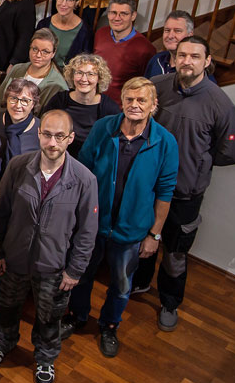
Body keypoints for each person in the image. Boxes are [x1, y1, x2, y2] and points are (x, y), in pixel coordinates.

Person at [60, 77, 178, 357]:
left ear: (153, 105)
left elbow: (165, 192)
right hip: (93, 225)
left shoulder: (166, 142)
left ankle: (109, 325)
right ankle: (76, 316)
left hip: (131, 231)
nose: (134, 105)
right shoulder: (103, 128)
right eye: (129, 99)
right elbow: (83, 173)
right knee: (81, 275)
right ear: (122, 102)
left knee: (122, 285)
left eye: (141, 100)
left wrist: (154, 234)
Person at [0, 110, 98, 383]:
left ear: (70, 138)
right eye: (47, 134)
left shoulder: (85, 179)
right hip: (14, 259)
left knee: (49, 316)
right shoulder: (18, 166)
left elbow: (87, 231)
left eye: (59, 136)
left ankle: (45, 358)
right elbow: (0, 213)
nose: (52, 142)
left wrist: (75, 270)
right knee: (7, 307)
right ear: (39, 134)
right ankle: (3, 342)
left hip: (54, 265)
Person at [133, 35, 235, 330]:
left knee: (175, 252)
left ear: (207, 61)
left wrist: (197, 163)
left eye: (195, 56)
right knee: (143, 238)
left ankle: (169, 302)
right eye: (182, 55)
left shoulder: (220, 104)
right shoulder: (156, 88)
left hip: (185, 193)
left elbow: (230, 153)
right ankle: (139, 282)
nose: (187, 61)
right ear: (174, 58)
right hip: (149, 185)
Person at [43, 54, 119, 156]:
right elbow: (44, 131)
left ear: (99, 78)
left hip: (92, 161)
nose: (83, 79)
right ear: (72, 76)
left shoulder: (110, 108)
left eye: (90, 74)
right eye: (79, 73)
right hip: (59, 157)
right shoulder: (59, 101)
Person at [0, 78, 42, 196]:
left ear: (33, 104)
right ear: (6, 99)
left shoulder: (41, 131)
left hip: (22, 197)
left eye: (25, 101)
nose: (18, 105)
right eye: (13, 98)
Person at [94, 0, 157, 105]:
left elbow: (145, 85)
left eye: (123, 14)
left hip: (120, 108)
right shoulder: (100, 34)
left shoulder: (145, 48)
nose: (117, 18)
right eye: (113, 13)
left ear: (133, 16)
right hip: (93, 101)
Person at [0, 28, 69, 113]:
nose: (38, 55)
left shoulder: (58, 86)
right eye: (35, 49)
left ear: (53, 53)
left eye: (45, 51)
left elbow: (50, 118)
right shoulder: (17, 69)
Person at [144, 10, 216, 83]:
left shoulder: (196, 70)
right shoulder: (157, 59)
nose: (170, 36)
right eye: (167, 30)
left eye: (177, 31)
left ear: (190, 35)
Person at [36, 0, 92, 68]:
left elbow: (84, 63)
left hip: (68, 75)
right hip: (41, 70)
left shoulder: (84, 30)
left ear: (77, 2)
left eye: (69, 0)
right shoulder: (43, 24)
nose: (63, 4)